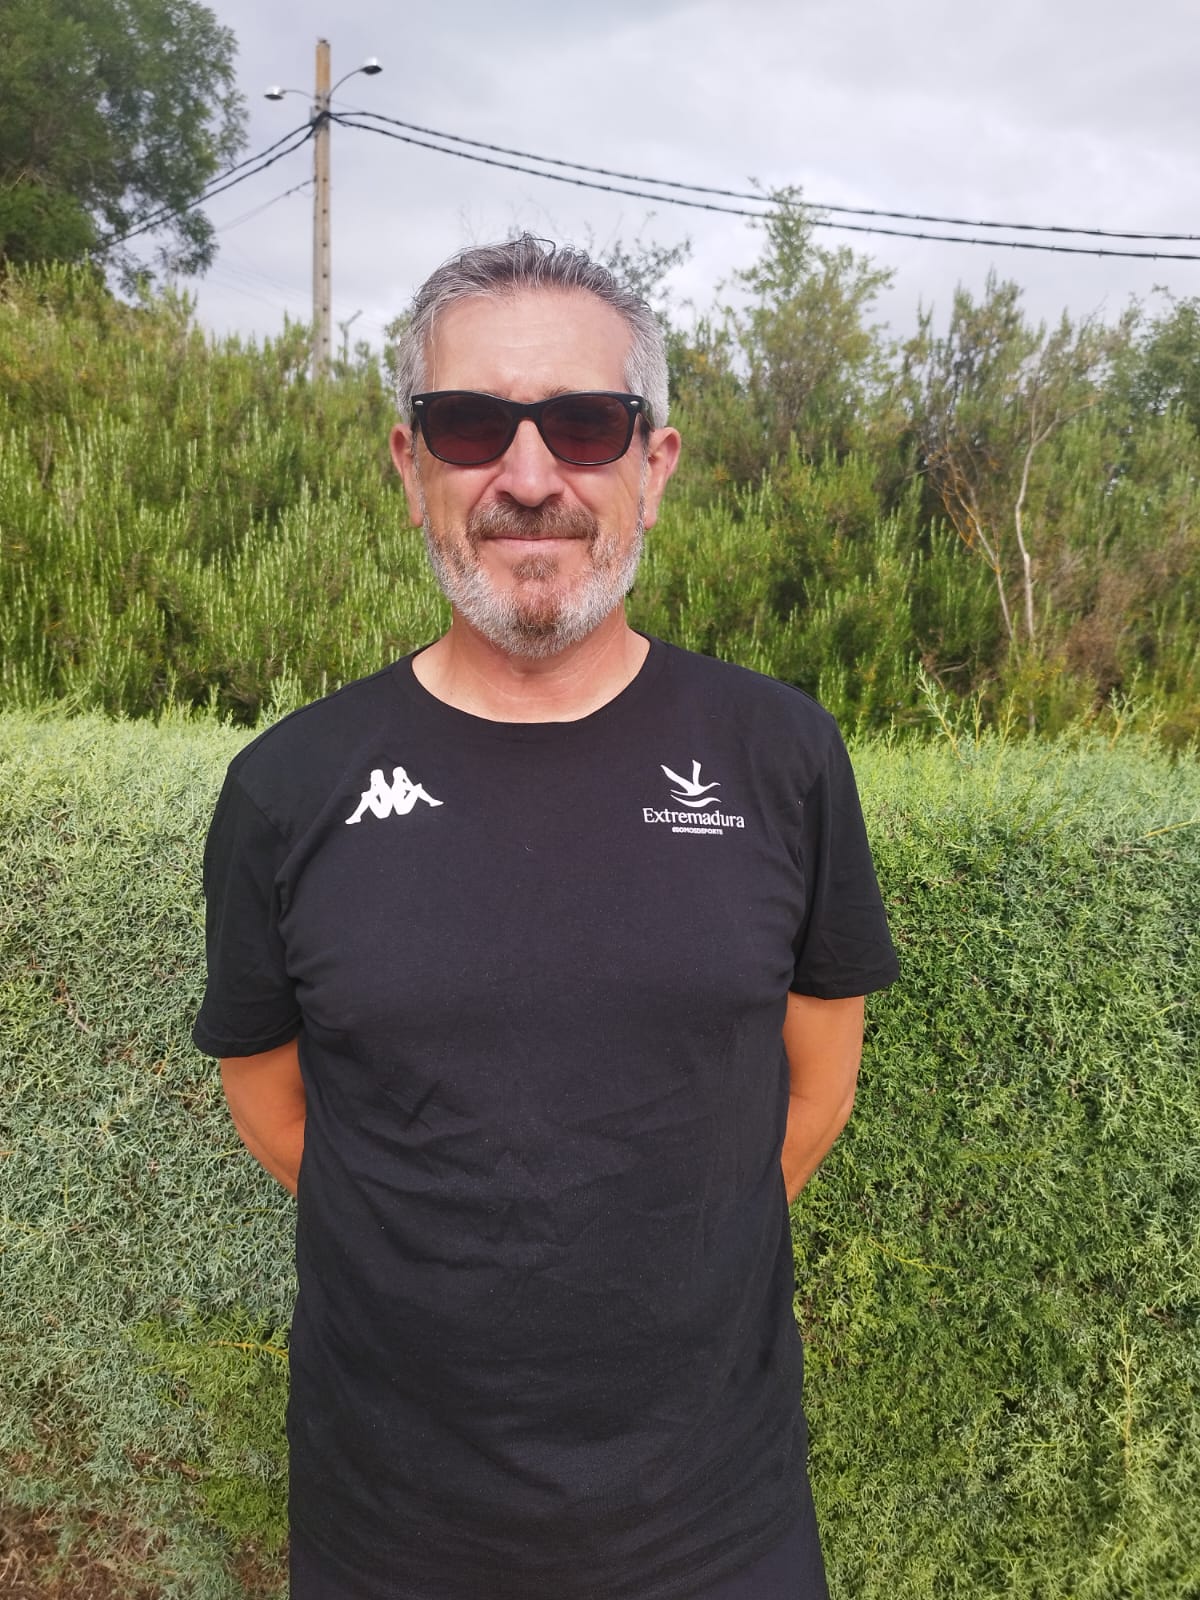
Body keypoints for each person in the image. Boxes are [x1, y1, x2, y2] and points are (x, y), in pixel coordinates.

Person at [194, 235, 899, 1600]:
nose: (528, 477)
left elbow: (817, 1079)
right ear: (412, 469)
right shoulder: (289, 786)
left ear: (655, 466)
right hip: (390, 1531)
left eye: (584, 425)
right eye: (470, 426)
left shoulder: (781, 755)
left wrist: (667, 1242)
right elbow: (271, 1100)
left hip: (718, 1526)